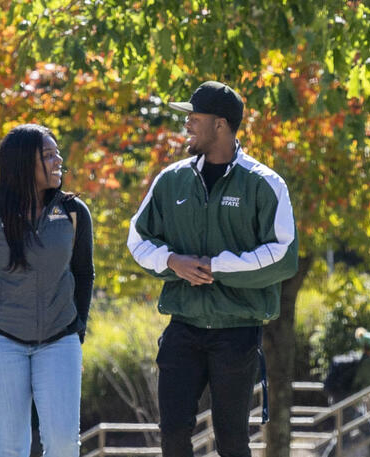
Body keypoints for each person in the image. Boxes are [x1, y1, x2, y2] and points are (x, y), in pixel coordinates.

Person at [127, 81, 299, 457]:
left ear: (221, 124)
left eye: (194, 117)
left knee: (232, 441)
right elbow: (137, 240)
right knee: (172, 434)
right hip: (183, 329)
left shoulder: (266, 184)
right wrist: (173, 262)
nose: (186, 124)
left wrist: (215, 267)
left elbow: (284, 255)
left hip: (236, 332)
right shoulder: (171, 180)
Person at [0, 124, 95, 457]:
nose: (58, 160)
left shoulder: (72, 213)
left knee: (63, 444)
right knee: (12, 447)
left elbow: (84, 274)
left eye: (57, 153)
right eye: (47, 155)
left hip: (60, 342)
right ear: (22, 162)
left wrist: (77, 333)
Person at [321, 328, 370, 457]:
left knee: (343, 438)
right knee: (367, 429)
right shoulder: (369, 364)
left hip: (344, 401)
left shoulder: (361, 360)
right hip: (349, 404)